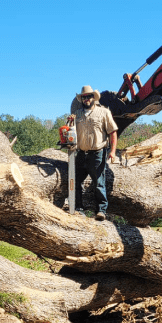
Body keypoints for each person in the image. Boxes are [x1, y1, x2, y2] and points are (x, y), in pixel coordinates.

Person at [68, 85, 118, 221]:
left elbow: (113, 132)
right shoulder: (76, 114)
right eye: (84, 97)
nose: (87, 99)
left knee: (98, 182)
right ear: (82, 99)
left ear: (93, 97)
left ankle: (101, 211)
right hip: (81, 153)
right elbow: (70, 133)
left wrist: (112, 151)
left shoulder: (103, 112)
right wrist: (69, 123)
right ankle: (78, 208)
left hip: (97, 153)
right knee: (76, 181)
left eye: (89, 96)